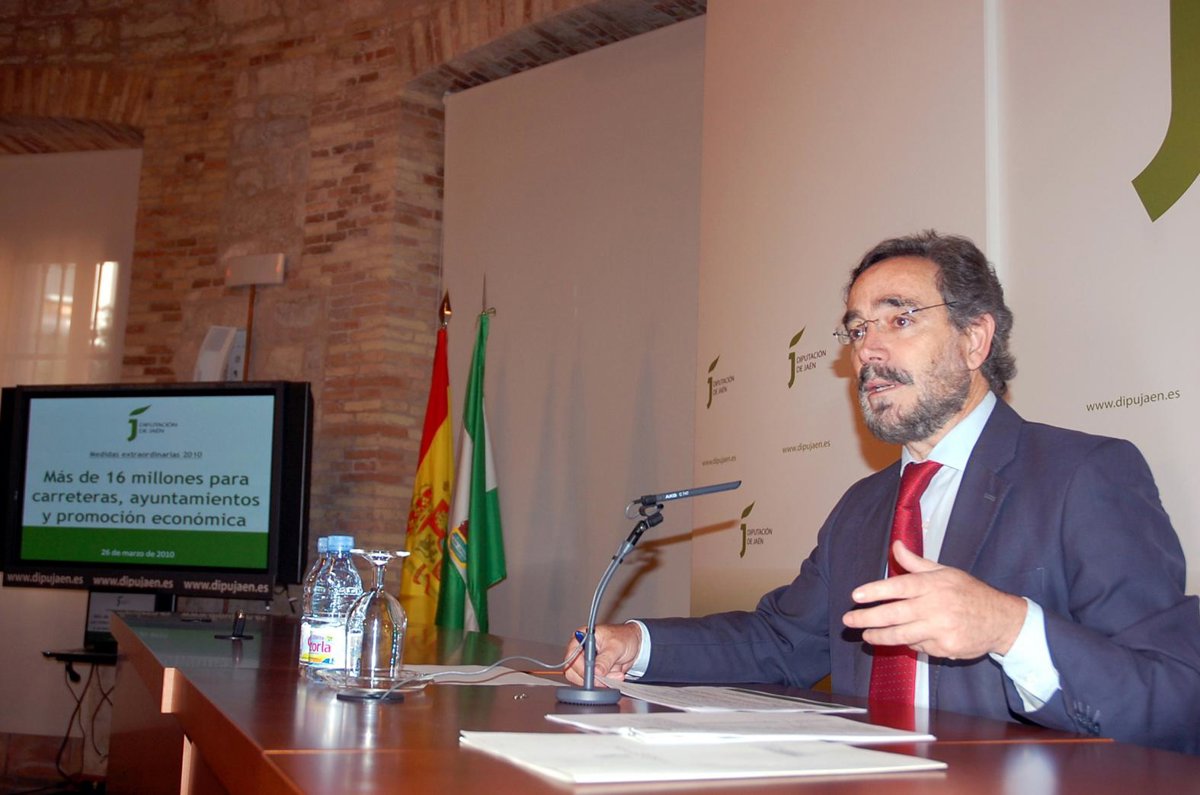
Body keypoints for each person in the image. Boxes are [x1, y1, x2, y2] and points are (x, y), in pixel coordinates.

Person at [564, 231, 1200, 754]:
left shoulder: (1083, 474)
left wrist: (1008, 626)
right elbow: (782, 642)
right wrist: (638, 645)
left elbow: (1172, 699)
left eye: (900, 318)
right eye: (857, 329)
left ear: (974, 339)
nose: (868, 349)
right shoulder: (863, 507)